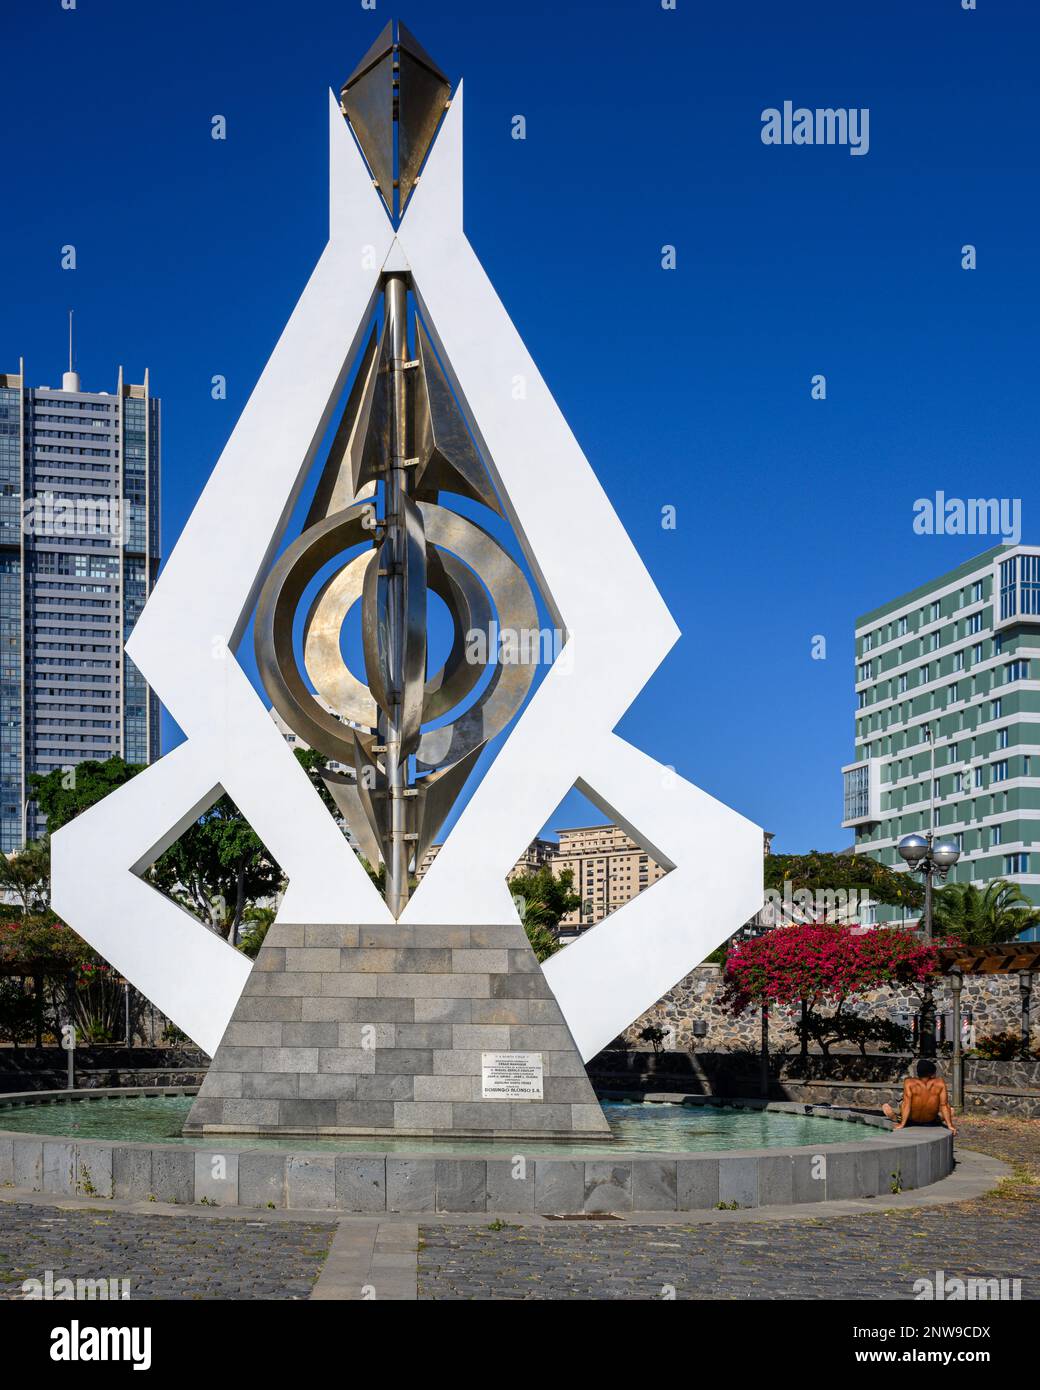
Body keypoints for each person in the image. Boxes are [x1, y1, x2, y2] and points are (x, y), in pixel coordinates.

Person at [882, 1059, 956, 1134]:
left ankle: (897, 1118)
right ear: (932, 1073)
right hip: (930, 1121)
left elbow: (907, 1104)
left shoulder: (909, 1083)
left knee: (886, 1107)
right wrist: (950, 1125)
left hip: (911, 1121)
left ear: (918, 1073)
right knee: (951, 1110)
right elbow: (944, 1105)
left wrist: (902, 1124)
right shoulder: (940, 1083)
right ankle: (938, 1120)